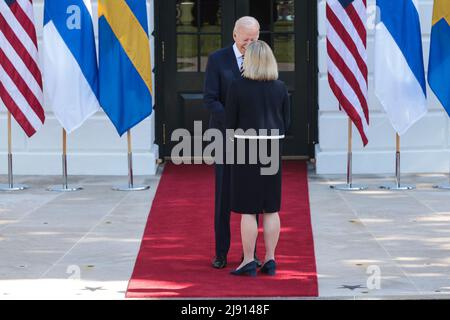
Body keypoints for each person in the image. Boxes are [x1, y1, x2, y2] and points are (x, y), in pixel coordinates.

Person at [225, 40, 290, 276]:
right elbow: (287, 122)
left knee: (248, 210)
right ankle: (270, 260)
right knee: (271, 209)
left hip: (246, 149)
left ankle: (249, 261)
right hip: (272, 149)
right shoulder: (280, 87)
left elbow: (229, 123)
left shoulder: (237, 87)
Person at [204, 16, 261, 269]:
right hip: (225, 135)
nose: (250, 43)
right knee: (224, 197)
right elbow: (210, 99)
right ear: (234, 35)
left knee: (252, 196)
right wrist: (233, 120)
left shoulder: (261, 57)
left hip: (253, 137)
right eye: (246, 39)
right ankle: (221, 252)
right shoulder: (217, 59)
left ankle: (250, 253)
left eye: (255, 38)